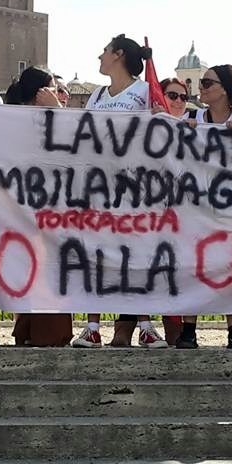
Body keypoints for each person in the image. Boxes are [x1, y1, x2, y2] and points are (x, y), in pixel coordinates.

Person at [73, 34, 165, 349]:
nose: (100, 56)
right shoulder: (96, 95)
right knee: (96, 254)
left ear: (118, 55)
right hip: (99, 185)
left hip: (136, 186)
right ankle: (92, 326)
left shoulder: (144, 91)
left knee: (137, 253)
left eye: (104, 50)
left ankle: (147, 325)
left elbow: (163, 128)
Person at [176, 65, 232, 350]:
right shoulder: (191, 117)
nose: (203, 87)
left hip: (231, 206)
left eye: (209, 82)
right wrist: (185, 133)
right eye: (202, 82)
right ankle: (188, 329)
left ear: (226, 89)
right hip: (195, 205)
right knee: (194, 264)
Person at [4, 66, 74, 347]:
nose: (58, 93)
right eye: (53, 87)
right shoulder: (19, 118)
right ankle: (43, 331)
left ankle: (34, 330)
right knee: (40, 265)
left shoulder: (40, 115)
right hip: (32, 203)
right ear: (39, 92)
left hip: (48, 203)